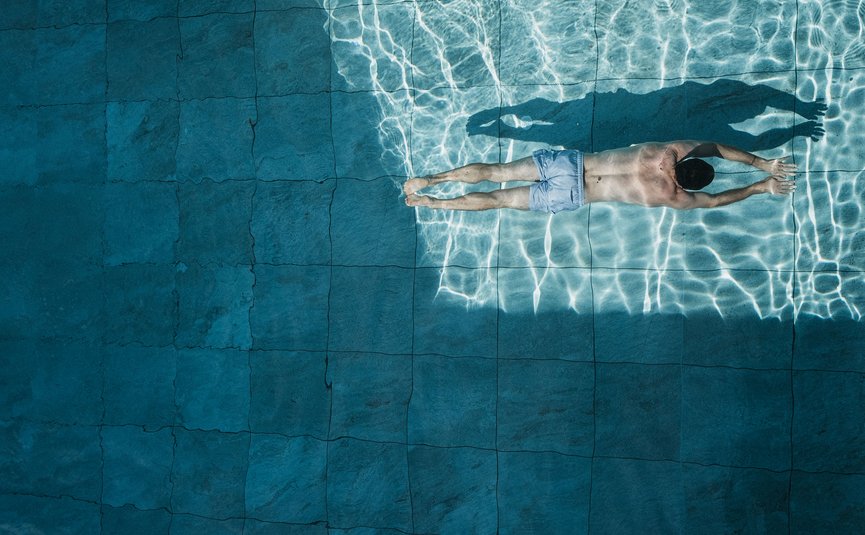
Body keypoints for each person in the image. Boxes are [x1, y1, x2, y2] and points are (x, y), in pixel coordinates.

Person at [403, 141, 797, 212]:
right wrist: (761, 187)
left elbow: (714, 147)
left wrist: (761, 163)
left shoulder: (668, 151)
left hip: (571, 165)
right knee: (500, 200)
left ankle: (432, 180)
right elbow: (716, 200)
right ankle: (432, 204)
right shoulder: (674, 196)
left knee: (496, 172)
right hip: (574, 196)